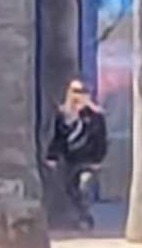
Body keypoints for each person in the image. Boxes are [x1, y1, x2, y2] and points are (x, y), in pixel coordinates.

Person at [45, 80, 108, 230]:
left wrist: (98, 159)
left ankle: (85, 218)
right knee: (70, 190)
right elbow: (58, 137)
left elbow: (101, 139)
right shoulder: (64, 115)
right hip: (69, 160)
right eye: (75, 91)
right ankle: (76, 218)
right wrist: (52, 156)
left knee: (84, 187)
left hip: (88, 161)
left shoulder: (95, 116)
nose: (78, 95)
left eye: (82, 92)